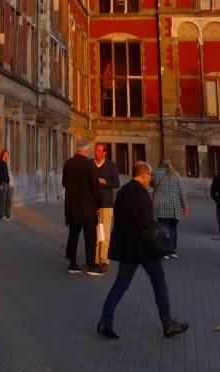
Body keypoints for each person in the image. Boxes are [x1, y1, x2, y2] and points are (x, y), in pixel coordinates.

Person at [97, 161, 188, 339]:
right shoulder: (141, 193)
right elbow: (147, 221)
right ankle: (168, 323)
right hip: (145, 248)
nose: (151, 179)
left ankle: (105, 321)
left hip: (128, 247)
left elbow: (120, 217)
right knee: (159, 282)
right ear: (143, 174)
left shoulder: (123, 191)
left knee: (121, 284)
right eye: (150, 175)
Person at [62, 139, 104, 275]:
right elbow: (95, 187)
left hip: (72, 206)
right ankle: (91, 265)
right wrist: (101, 203)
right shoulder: (90, 165)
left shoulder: (68, 163)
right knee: (90, 237)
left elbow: (64, 183)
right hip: (88, 207)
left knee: (73, 235)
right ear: (86, 150)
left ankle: (72, 264)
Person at [151, 157, 188, 258]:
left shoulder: (155, 173)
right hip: (173, 206)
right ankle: (172, 250)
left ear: (160, 162)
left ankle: (164, 250)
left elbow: (151, 184)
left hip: (160, 206)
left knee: (163, 229)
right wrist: (185, 206)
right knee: (173, 229)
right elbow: (181, 191)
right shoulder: (175, 174)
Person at [93, 141, 120, 274]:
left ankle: (104, 260)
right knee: (94, 233)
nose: (96, 152)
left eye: (99, 151)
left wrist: (105, 181)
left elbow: (117, 183)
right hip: (92, 204)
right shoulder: (90, 164)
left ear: (104, 153)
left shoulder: (111, 165)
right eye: (95, 150)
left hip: (106, 204)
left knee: (104, 233)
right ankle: (94, 259)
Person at [0, 150, 13, 220]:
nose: (7, 156)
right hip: (2, 183)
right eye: (6, 154)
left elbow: (6, 174)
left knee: (9, 199)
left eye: (8, 155)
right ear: (2, 155)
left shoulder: (5, 163)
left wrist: (9, 181)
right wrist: (0, 184)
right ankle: (2, 215)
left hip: (7, 183)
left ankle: (7, 214)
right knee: (3, 199)